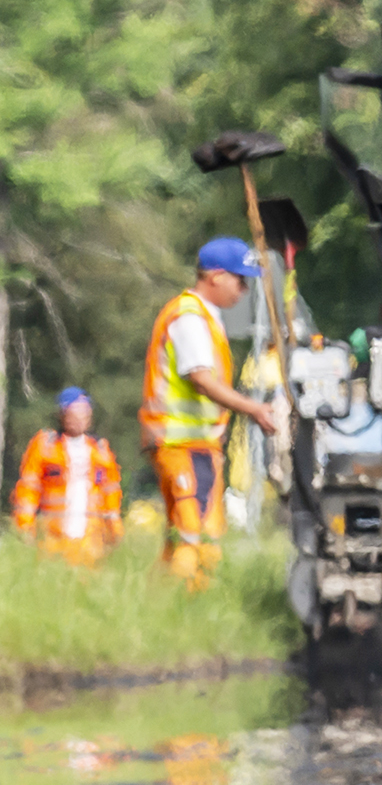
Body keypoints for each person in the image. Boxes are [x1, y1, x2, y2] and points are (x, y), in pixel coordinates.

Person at [140, 238, 279, 587]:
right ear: (216, 276)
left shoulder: (204, 317)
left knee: (194, 534)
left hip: (197, 446)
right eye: (239, 279)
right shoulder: (189, 317)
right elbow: (202, 380)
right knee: (194, 534)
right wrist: (255, 409)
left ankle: (160, 607)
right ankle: (183, 603)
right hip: (181, 444)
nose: (244, 290)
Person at [11, 387, 122, 564]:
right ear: (62, 415)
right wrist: (24, 526)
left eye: (85, 412)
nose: (80, 418)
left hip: (91, 540)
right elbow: (29, 489)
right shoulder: (45, 446)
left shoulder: (100, 450)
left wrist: (114, 531)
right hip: (53, 539)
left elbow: (111, 494)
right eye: (75, 412)